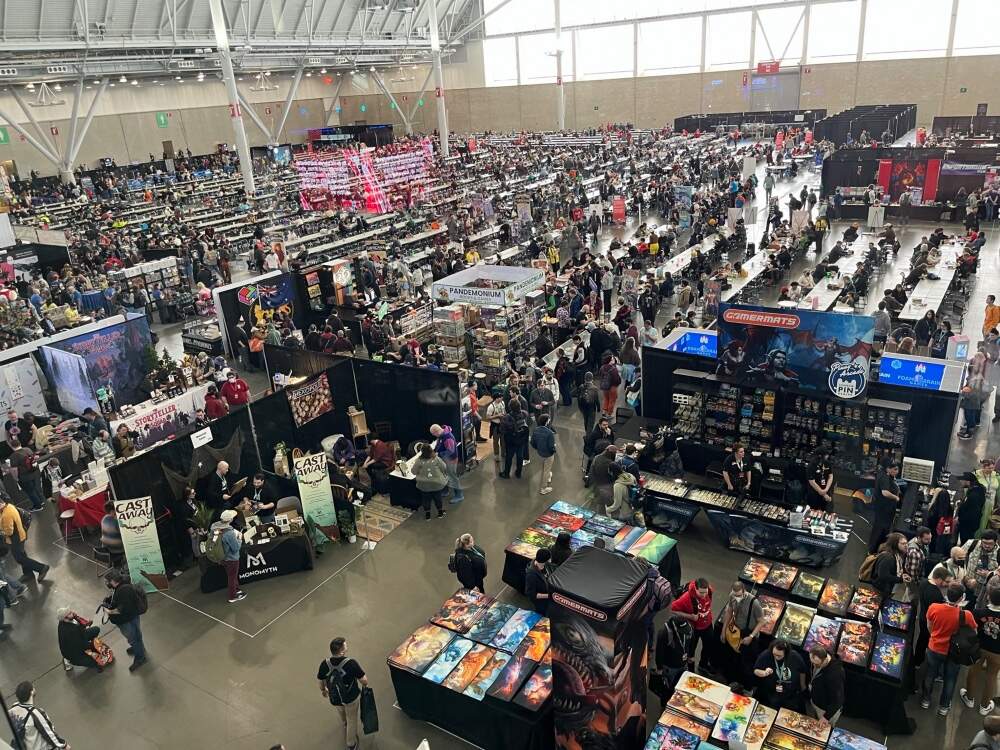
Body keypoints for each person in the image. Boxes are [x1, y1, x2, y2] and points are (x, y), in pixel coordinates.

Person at [922, 582, 977, 715]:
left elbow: (929, 626)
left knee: (930, 674)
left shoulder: (934, 607)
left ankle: (925, 700)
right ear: (961, 598)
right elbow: (974, 633)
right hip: (955, 652)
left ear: (946, 594)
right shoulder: (966, 615)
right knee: (950, 679)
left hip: (935, 648)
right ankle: (944, 707)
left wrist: (936, 636)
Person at [317, 637, 368, 750]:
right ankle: (351, 743)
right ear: (341, 650)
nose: (347, 646)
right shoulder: (351, 663)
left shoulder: (325, 664)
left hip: (335, 696)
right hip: (351, 697)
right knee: (352, 719)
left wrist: (323, 690)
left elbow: (321, 680)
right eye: (345, 645)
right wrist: (365, 685)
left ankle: (344, 722)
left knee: (340, 710)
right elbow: (364, 680)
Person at [961, 586, 1000, 715]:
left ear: (988, 597)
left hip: (979, 647)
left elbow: (971, 629)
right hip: (997, 652)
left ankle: (969, 698)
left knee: (974, 671)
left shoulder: (978, 612)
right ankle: (984, 705)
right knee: (992, 676)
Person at [717, 580, 764, 684]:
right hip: (736, 631)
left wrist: (751, 636)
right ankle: (731, 680)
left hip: (749, 633)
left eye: (739, 595)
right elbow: (729, 611)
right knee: (733, 658)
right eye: (735, 595)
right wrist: (723, 630)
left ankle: (746, 685)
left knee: (746, 663)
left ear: (744, 591)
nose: (736, 598)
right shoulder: (732, 596)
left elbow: (761, 621)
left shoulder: (754, 603)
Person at [104, 570, 147, 671]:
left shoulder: (123, 591)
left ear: (114, 581)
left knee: (133, 638)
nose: (107, 583)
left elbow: (120, 610)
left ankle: (140, 657)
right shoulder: (124, 584)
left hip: (126, 620)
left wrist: (108, 611)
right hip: (133, 615)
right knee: (137, 634)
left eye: (108, 581)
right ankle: (140, 649)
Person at [0, 495, 49, 583]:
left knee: (19, 558)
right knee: (22, 554)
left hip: (15, 538)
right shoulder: (9, 507)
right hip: (20, 534)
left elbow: (9, 532)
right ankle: (27, 573)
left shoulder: (6, 515)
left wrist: (1, 531)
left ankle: (41, 568)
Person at [8, 681, 70, 749]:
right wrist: (64, 745)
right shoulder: (35, 714)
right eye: (33, 687)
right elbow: (49, 734)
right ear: (31, 692)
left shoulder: (13, 709)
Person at [671, 578, 714, 673]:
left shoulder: (709, 590)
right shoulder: (686, 598)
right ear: (695, 589)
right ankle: (691, 671)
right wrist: (690, 616)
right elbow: (673, 609)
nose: (704, 595)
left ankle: (703, 665)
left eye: (705, 592)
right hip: (694, 629)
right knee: (691, 652)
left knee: (709, 646)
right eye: (701, 593)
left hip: (707, 624)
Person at [754, 640, 807, 711]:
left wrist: (803, 685)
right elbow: (756, 670)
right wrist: (764, 673)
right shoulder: (766, 654)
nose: (776, 657)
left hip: (789, 694)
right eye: (774, 654)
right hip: (770, 693)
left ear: (786, 653)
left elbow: (802, 671)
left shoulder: (795, 656)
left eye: (779, 656)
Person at [213, 509, 246, 603]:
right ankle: (233, 596)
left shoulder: (216, 527)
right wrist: (239, 538)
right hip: (231, 559)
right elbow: (236, 548)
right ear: (230, 520)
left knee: (231, 575)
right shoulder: (229, 533)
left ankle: (236, 589)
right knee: (232, 577)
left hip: (223, 557)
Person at [807, 646, 845, 725]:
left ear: (825, 660)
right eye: (812, 662)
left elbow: (838, 700)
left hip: (825, 710)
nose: (814, 665)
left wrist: (826, 717)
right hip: (817, 702)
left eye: (816, 664)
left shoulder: (835, 674)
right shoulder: (819, 658)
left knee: (822, 731)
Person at [869, 462, 901, 553]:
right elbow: (885, 493)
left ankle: (880, 547)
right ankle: (873, 550)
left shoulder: (887, 476)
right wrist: (896, 497)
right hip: (883, 509)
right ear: (888, 469)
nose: (897, 472)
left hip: (886, 509)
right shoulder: (884, 478)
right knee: (879, 529)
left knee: (883, 529)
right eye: (895, 469)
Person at [412, 442, 448, 520]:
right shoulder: (436, 459)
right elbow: (444, 467)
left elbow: (413, 471)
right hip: (436, 484)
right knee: (438, 498)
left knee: (426, 499)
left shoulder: (419, 461)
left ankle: (428, 514)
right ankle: (440, 513)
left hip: (424, 485)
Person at [429, 423, 464, 504]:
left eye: (433, 434)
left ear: (436, 432)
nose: (434, 436)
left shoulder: (448, 437)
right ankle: (445, 491)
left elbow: (451, 451)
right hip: (444, 460)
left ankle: (459, 495)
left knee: (453, 477)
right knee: (444, 475)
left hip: (451, 461)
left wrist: (439, 454)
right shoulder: (441, 436)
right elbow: (438, 445)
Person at [963, 529, 1000, 601]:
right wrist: (964, 577)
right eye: (984, 543)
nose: (987, 546)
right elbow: (958, 559)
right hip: (967, 584)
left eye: (990, 543)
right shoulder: (972, 544)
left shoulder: (999, 552)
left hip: (984, 592)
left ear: (996, 542)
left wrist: (989, 574)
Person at [9, 438, 44, 511]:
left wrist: (16, 478)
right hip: (34, 473)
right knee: (35, 488)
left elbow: (14, 470)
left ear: (12, 446)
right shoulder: (27, 449)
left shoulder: (13, 456)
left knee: (30, 492)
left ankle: (38, 506)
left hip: (24, 477)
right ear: (20, 443)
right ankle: (41, 501)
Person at [871, 532, 908, 601]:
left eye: (906, 543)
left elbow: (897, 567)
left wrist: (903, 574)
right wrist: (900, 579)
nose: (906, 545)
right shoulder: (888, 558)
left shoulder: (898, 554)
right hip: (881, 589)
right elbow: (883, 575)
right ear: (895, 544)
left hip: (888, 588)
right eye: (903, 544)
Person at [498, 402, 530, 479]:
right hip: (521, 439)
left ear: (510, 408)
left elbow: (502, 430)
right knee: (520, 456)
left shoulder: (506, 418)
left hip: (511, 441)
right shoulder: (524, 414)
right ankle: (518, 473)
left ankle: (506, 473)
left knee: (509, 457)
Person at [529, 414, 557, 495]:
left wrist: (537, 448)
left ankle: (547, 476)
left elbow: (532, 442)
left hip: (540, 453)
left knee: (544, 468)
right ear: (546, 422)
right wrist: (554, 450)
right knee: (546, 470)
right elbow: (551, 446)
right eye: (548, 420)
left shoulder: (536, 430)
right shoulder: (549, 433)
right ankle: (544, 488)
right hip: (548, 454)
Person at [959, 470, 987, 544]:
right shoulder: (975, 491)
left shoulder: (974, 495)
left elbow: (972, 512)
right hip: (969, 524)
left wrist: (961, 518)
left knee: (966, 543)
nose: (960, 482)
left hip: (968, 525)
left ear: (968, 481)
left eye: (962, 480)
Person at [904, 527, 932, 601]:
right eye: (927, 539)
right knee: (911, 600)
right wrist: (917, 584)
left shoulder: (920, 542)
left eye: (930, 538)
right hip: (914, 581)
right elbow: (912, 572)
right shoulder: (914, 552)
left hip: (919, 575)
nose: (929, 541)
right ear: (919, 538)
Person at [589, 443, 619, 510]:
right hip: (606, 486)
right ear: (612, 453)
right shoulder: (610, 463)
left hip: (596, 484)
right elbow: (615, 475)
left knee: (595, 500)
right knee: (604, 504)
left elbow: (591, 470)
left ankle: (592, 509)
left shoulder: (596, 457)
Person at [524, 548, 552, 614]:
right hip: (541, 602)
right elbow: (531, 594)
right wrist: (549, 596)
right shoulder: (531, 575)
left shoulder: (545, 566)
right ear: (546, 560)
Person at [578, 371, 600, 436]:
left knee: (586, 421)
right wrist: (598, 408)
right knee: (591, 423)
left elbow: (578, 398)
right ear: (592, 379)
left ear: (585, 378)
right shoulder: (594, 388)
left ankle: (587, 433)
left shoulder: (581, 386)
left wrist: (580, 407)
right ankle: (588, 436)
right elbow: (596, 399)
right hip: (591, 408)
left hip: (584, 408)